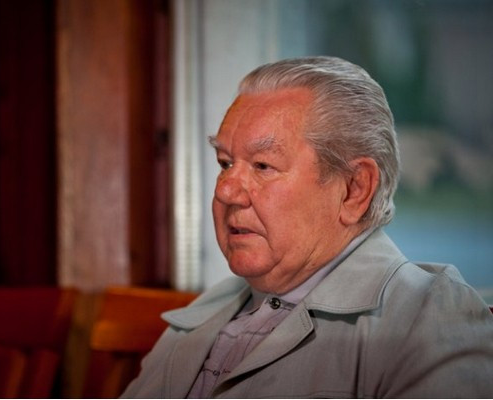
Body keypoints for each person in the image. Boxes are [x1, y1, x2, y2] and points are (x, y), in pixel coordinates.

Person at [121, 56, 493, 398]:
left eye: (262, 166)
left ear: (354, 189)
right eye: (225, 163)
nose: (225, 190)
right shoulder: (210, 307)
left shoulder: (427, 314)